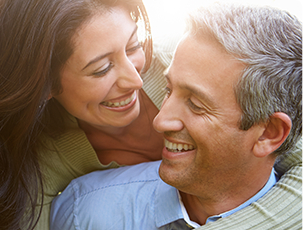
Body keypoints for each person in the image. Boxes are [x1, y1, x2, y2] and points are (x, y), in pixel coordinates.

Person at [50, 3, 302, 230]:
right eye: (167, 90)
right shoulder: (83, 212)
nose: (159, 121)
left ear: (269, 133)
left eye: (195, 104)